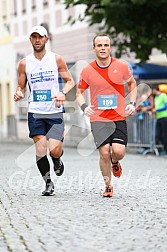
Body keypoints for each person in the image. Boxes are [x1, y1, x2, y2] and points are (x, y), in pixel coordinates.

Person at [14, 25, 74, 196]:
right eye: (34, 37)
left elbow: (70, 81)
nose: (37, 40)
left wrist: (62, 93)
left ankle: (57, 159)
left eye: (40, 37)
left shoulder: (56, 59)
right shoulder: (24, 63)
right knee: (40, 149)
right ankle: (48, 183)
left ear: (46, 39)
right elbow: (21, 86)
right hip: (36, 111)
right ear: (30, 40)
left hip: (54, 111)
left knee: (54, 149)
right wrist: (19, 92)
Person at [76, 33, 137, 197]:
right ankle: (108, 185)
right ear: (94, 48)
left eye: (106, 45)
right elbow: (79, 92)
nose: (103, 48)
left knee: (118, 152)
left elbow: (132, 83)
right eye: (99, 45)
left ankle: (115, 161)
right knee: (104, 152)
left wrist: (132, 103)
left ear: (110, 47)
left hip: (118, 117)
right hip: (99, 119)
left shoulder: (121, 66)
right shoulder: (88, 70)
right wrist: (84, 106)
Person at [152, 86, 167, 155]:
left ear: (155, 89)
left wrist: (157, 110)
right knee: (158, 134)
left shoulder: (164, 95)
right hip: (158, 117)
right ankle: (160, 149)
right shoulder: (156, 97)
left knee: (164, 134)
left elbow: (165, 106)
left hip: (164, 116)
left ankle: (165, 149)